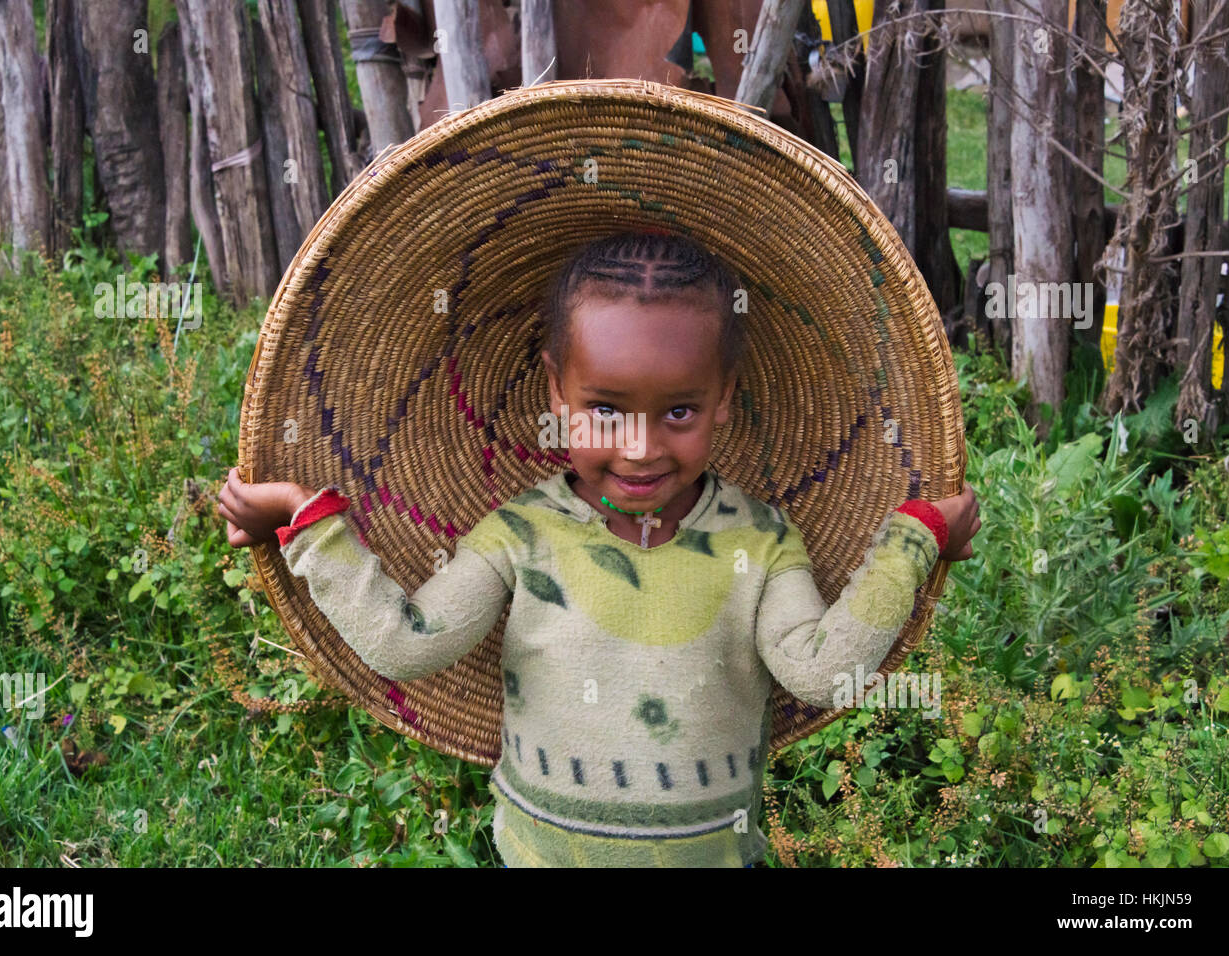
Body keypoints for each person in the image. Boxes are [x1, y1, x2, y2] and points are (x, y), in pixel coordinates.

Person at [219, 230, 982, 867]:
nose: (642, 448)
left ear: (725, 395)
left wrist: (913, 538)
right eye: (606, 410)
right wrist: (303, 519)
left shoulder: (760, 540)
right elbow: (402, 643)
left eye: (679, 409)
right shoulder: (520, 535)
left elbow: (822, 671)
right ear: (557, 391)